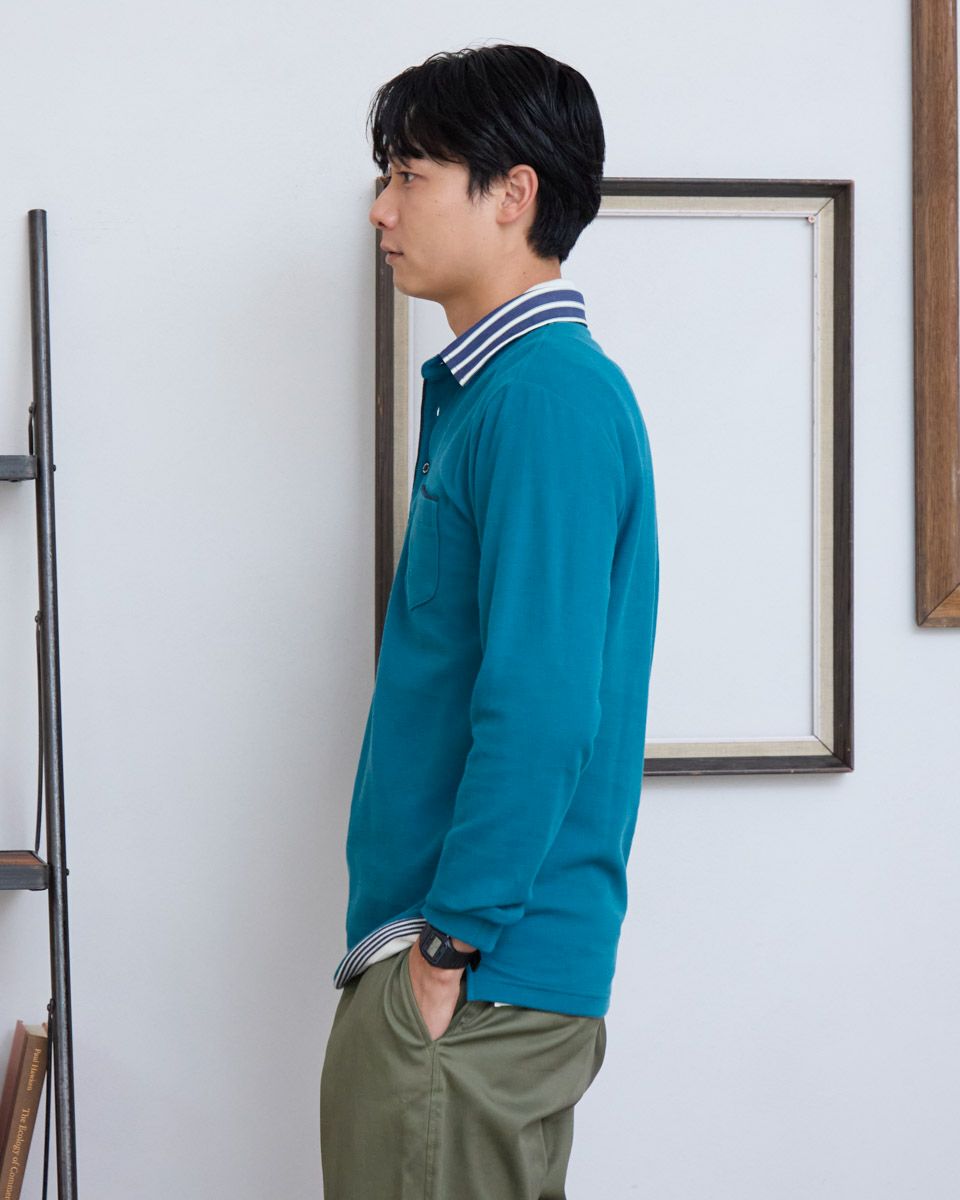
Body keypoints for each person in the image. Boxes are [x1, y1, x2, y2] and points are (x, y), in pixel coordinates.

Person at [320, 41, 659, 1200]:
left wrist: (448, 947)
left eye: (409, 175)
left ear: (513, 193)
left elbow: (545, 704)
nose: (381, 209)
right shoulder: (497, 393)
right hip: (463, 977)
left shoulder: (543, 398)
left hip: (473, 982)